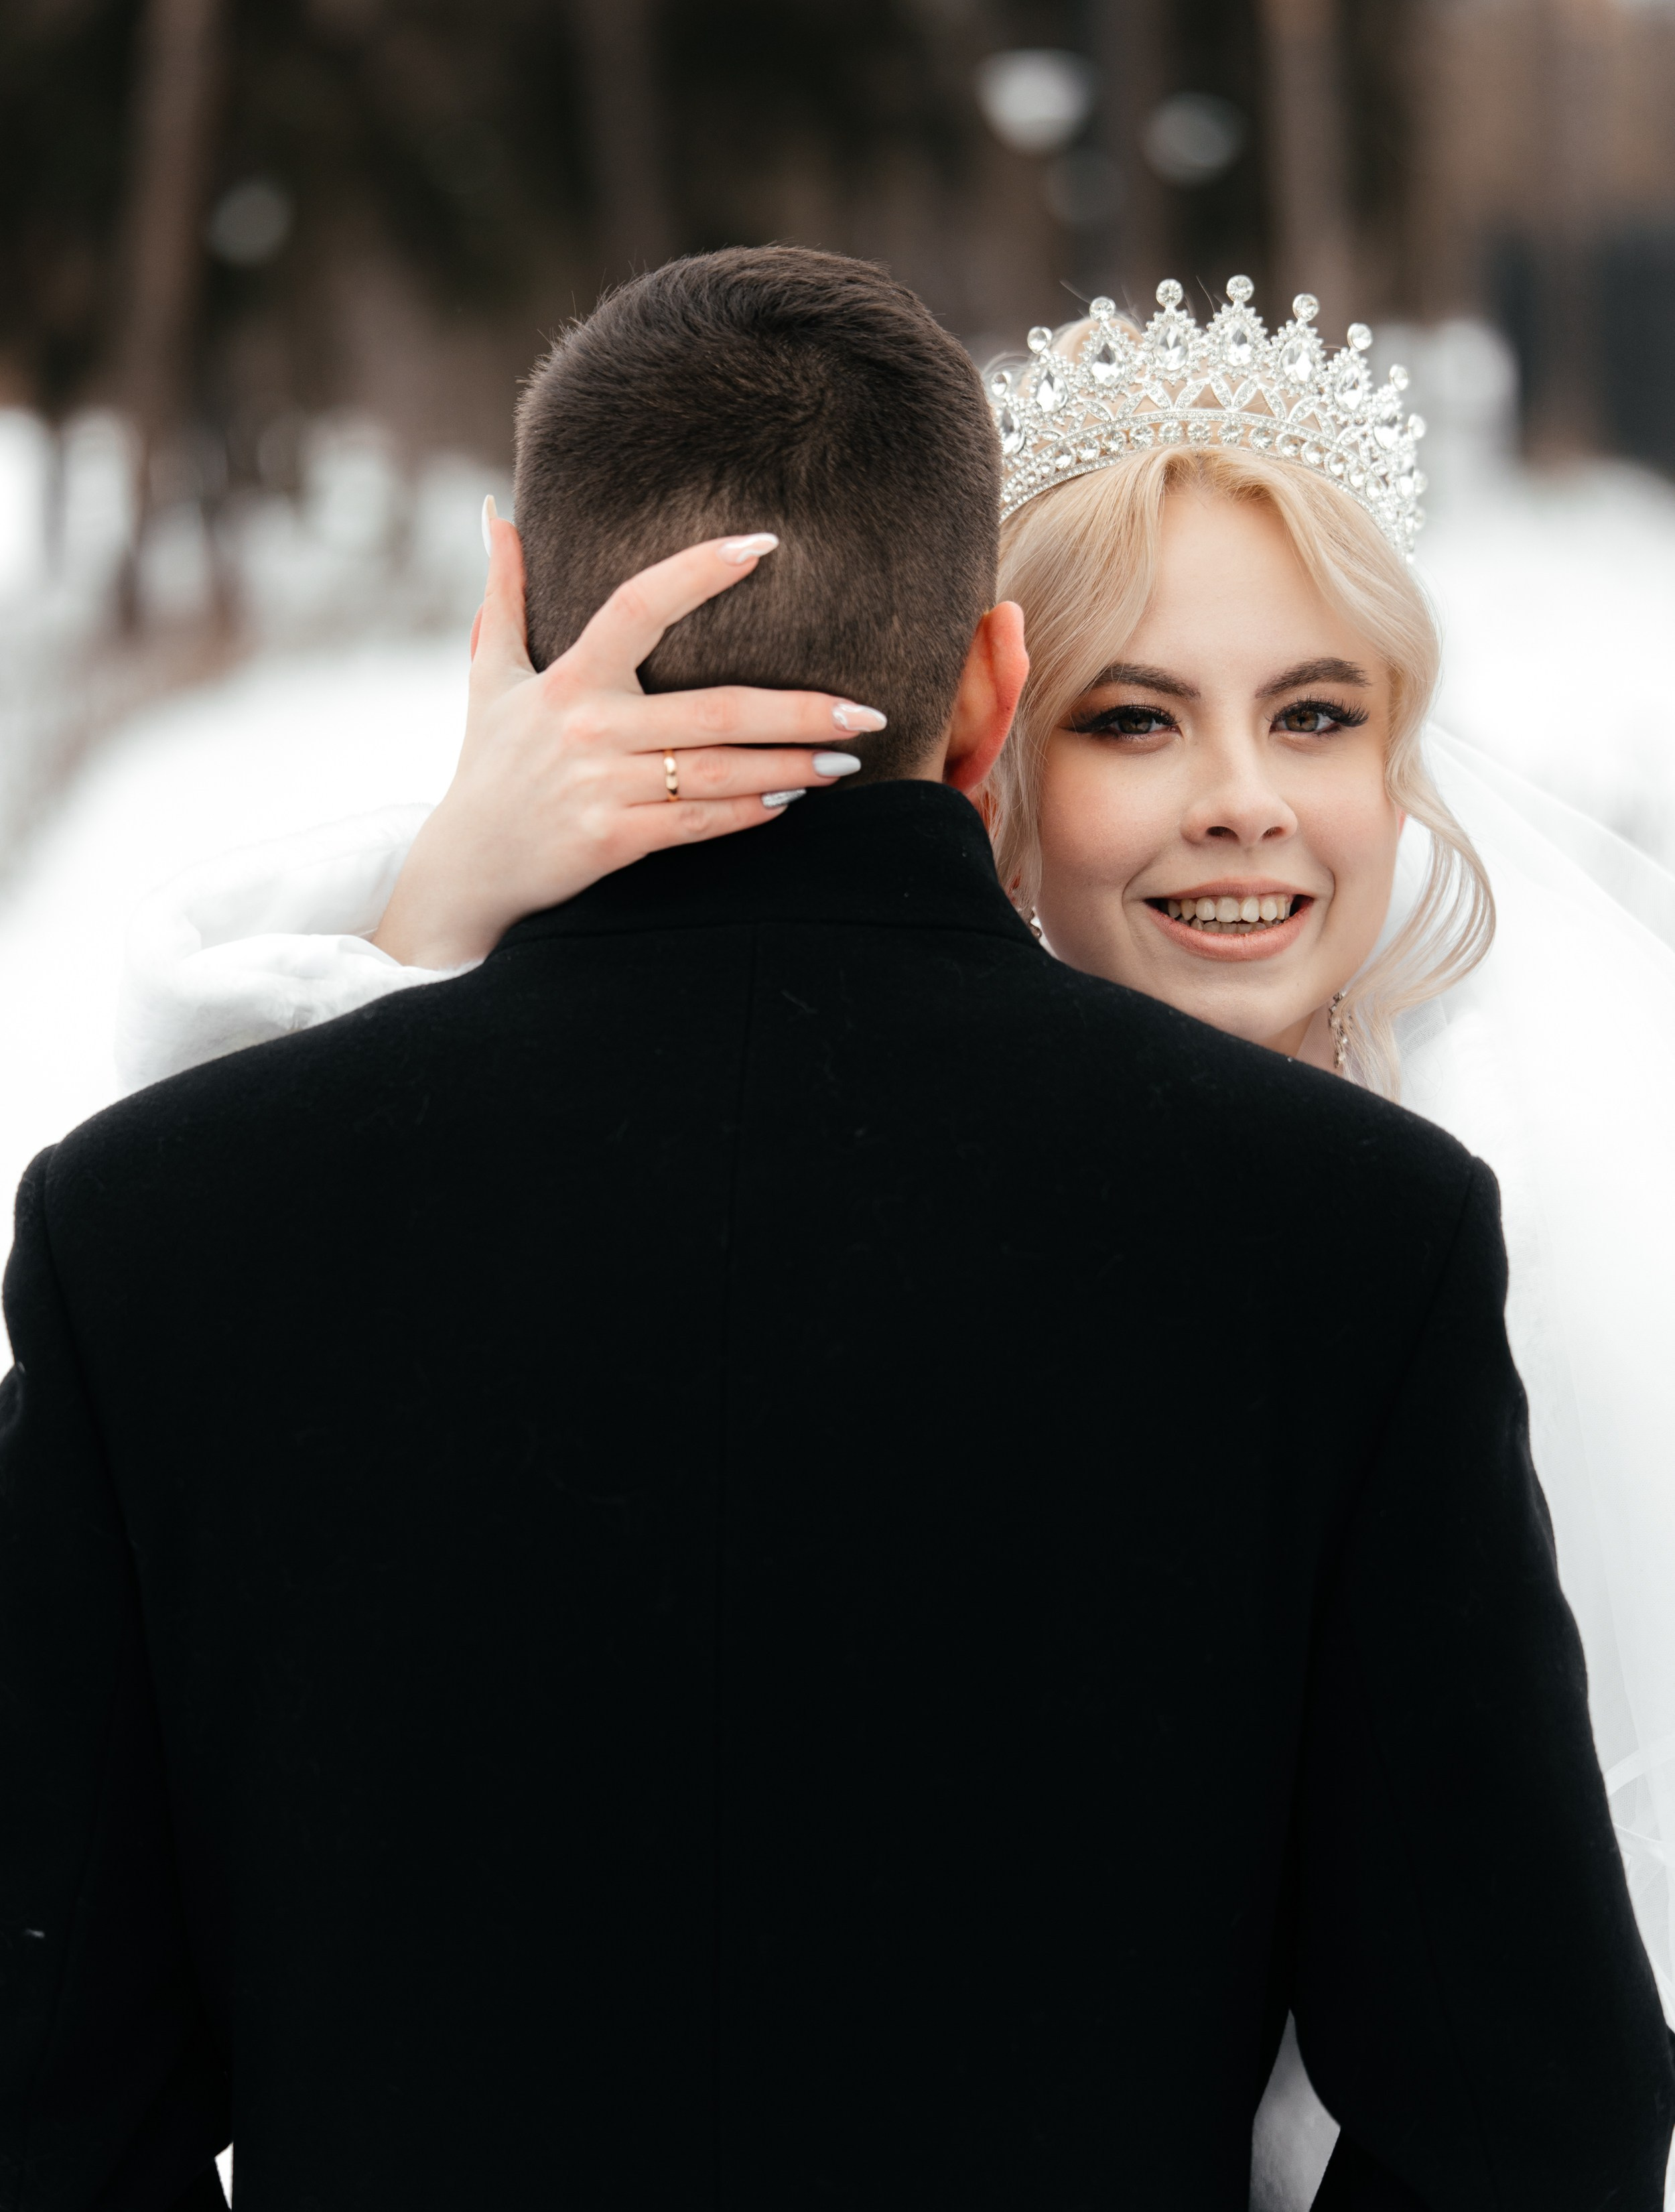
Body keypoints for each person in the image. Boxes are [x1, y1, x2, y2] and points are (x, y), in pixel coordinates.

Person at [11, 247, 1669, 2207]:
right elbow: (1528, 2116)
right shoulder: (1343, 1241)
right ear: (992, 688)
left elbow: (54, 2097)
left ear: (529, 642)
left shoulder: (153, 1237)